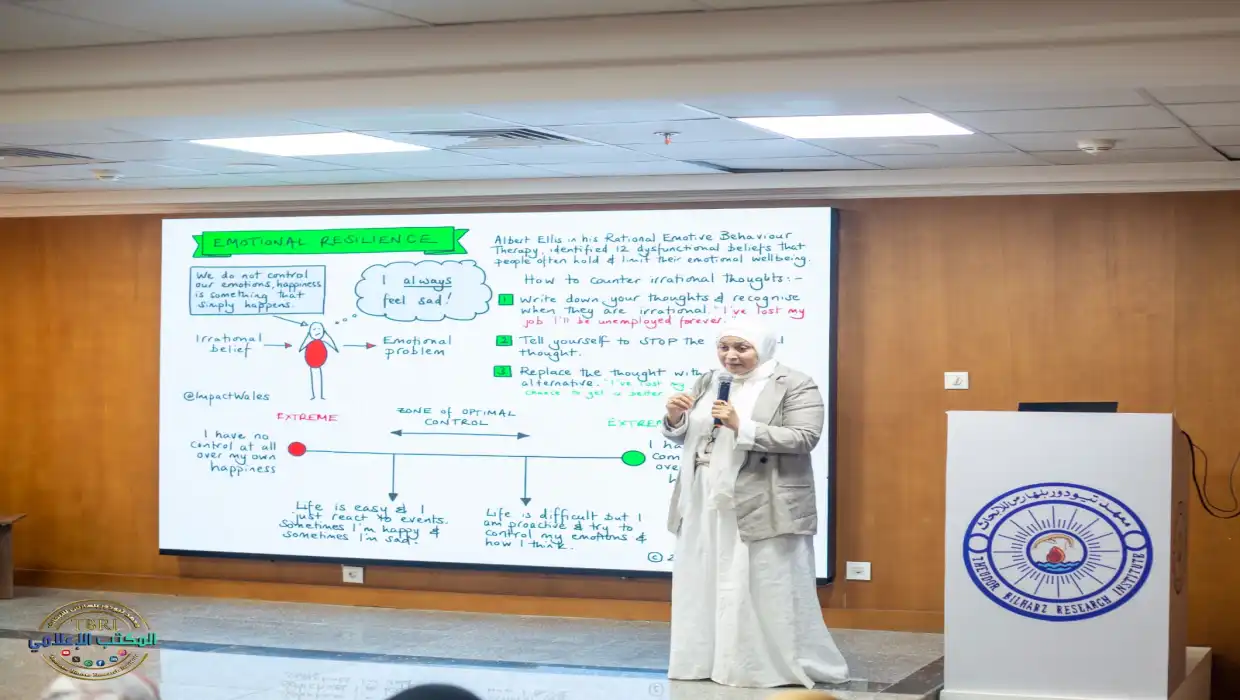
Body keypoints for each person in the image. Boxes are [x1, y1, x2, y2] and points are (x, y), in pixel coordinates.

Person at [660, 321, 849, 689]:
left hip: (762, 497)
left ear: (762, 347)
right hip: (703, 497)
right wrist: (675, 418)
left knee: (760, 580)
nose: (731, 356)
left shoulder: (796, 384)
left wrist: (740, 425)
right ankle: (706, 660)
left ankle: (758, 665)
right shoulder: (709, 381)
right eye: (724, 347)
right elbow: (693, 435)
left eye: (741, 348)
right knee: (705, 577)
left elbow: (804, 437)